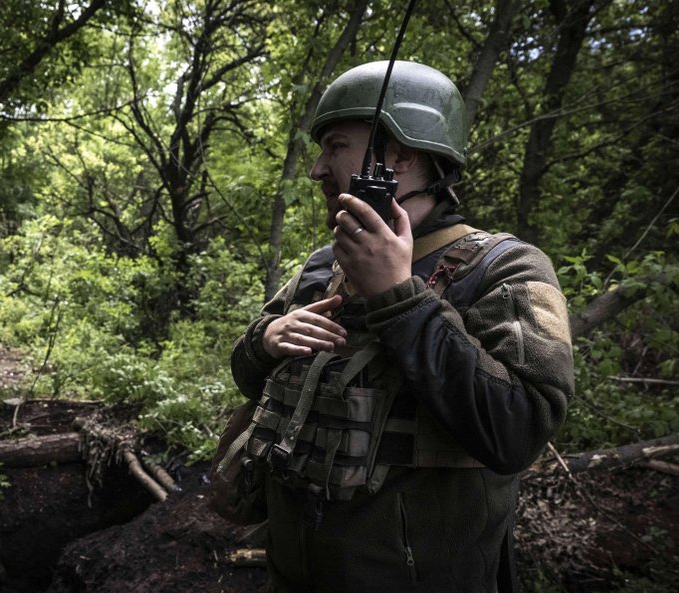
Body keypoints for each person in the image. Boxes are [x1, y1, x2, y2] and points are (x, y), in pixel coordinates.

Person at [228, 61, 574, 592]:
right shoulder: (323, 267)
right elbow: (248, 375)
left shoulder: (506, 269)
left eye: (336, 146)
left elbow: (519, 430)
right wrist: (264, 343)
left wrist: (399, 298)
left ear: (400, 155)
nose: (317, 169)